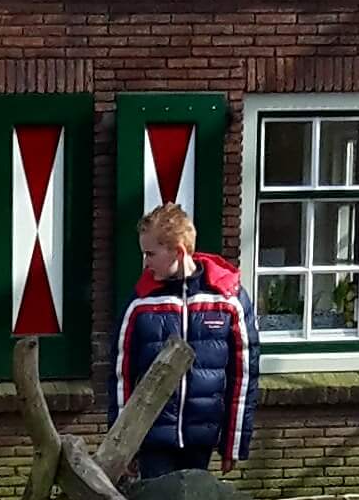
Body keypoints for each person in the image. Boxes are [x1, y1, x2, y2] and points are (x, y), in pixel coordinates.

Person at [111, 203, 260, 482]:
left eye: (150, 254)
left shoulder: (228, 301)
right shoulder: (140, 304)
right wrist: (124, 447)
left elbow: (244, 376)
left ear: (178, 251)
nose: (145, 263)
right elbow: (122, 379)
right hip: (152, 436)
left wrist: (234, 444)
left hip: (200, 435)